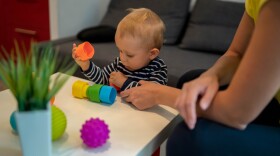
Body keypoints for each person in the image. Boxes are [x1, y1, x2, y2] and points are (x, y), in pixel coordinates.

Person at [121, 0, 280, 155]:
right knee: (190, 81)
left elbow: (237, 112)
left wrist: (159, 94)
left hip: (248, 112)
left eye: (128, 54)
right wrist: (211, 75)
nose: (122, 58)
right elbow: (236, 53)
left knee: (188, 139)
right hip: (272, 100)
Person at [72, 8, 167, 91]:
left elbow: (151, 94)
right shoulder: (120, 63)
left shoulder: (157, 68)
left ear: (152, 54)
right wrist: (86, 66)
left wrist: (124, 82)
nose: (122, 58)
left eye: (130, 55)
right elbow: (102, 79)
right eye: (120, 51)